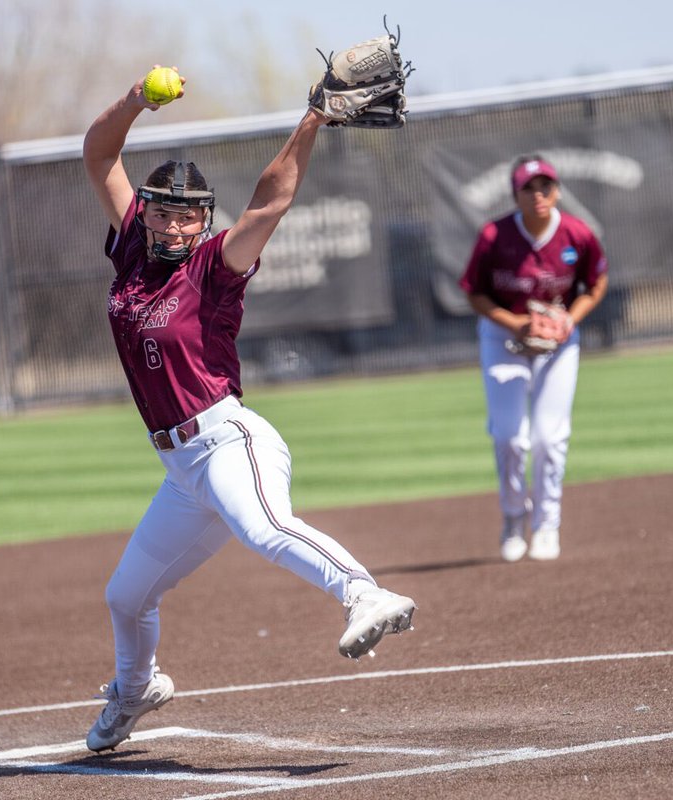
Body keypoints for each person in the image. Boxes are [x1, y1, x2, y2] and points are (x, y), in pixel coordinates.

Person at [79, 67, 417, 753]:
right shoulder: (132, 258)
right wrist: (137, 101)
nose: (176, 222)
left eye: (189, 212)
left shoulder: (214, 264)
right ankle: (136, 688)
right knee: (126, 596)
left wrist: (313, 120)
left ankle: (364, 593)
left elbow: (270, 201)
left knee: (264, 527)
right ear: (143, 213)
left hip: (229, 439)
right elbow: (97, 153)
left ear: (205, 219)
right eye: (164, 210)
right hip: (180, 470)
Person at [459, 154, 609, 563]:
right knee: (509, 435)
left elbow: (596, 282)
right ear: (516, 194)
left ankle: (546, 524)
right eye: (529, 187)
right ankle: (513, 517)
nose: (539, 194)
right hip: (502, 336)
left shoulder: (577, 234)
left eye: (546, 186)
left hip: (559, 340)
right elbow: (473, 290)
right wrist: (515, 323)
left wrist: (567, 322)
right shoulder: (495, 236)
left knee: (549, 436)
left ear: (557, 191)